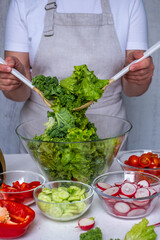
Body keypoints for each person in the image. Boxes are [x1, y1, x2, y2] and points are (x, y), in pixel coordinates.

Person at [0, 0, 154, 124]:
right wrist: (13, 81)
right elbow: (19, 95)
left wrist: (139, 76)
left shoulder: (129, 2)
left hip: (108, 132)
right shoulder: (23, 2)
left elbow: (133, 90)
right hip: (43, 132)